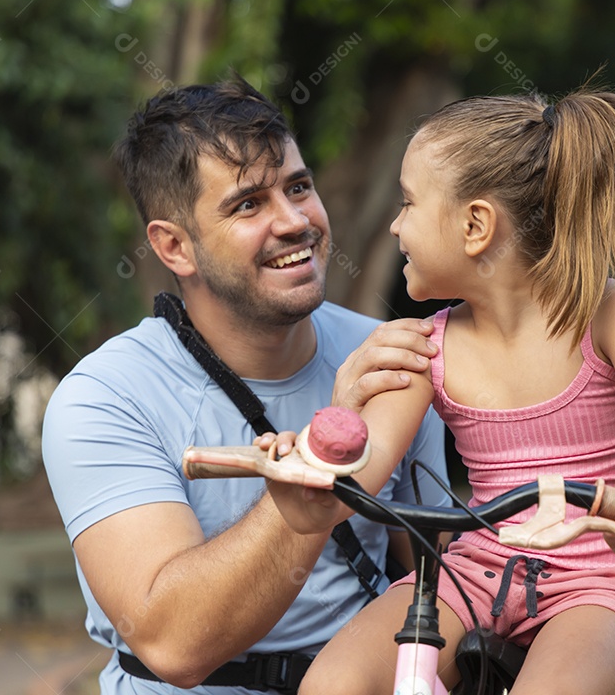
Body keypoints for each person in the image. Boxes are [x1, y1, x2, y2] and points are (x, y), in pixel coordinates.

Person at [265, 85, 615, 695]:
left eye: (408, 203)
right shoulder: (423, 348)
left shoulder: (611, 313)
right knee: (333, 685)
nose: (394, 224)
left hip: (600, 577)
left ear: (475, 225)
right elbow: (352, 485)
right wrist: (311, 470)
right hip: (479, 568)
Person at [40, 76, 451, 694]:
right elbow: (175, 645)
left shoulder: (391, 355)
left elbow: (438, 574)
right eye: (248, 204)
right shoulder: (105, 398)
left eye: (299, 187)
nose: (295, 222)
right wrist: (321, 457)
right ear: (174, 246)